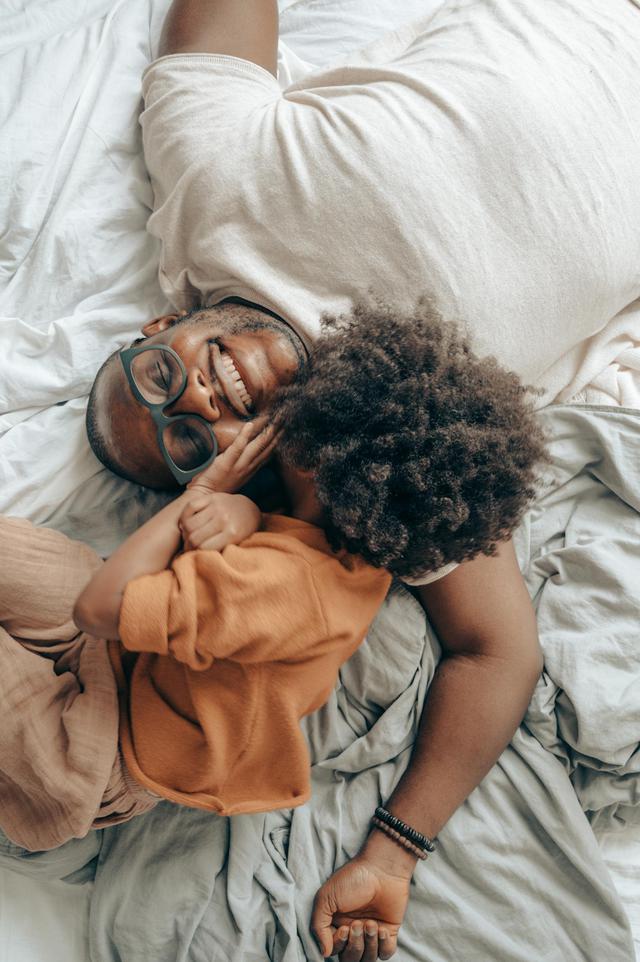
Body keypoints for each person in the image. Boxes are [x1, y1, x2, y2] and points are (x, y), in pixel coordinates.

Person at [83, 0, 640, 959]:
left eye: (161, 378)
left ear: (154, 329)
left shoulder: (212, 189)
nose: (202, 398)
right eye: (188, 441)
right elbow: (496, 653)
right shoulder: (384, 450)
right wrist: (392, 853)